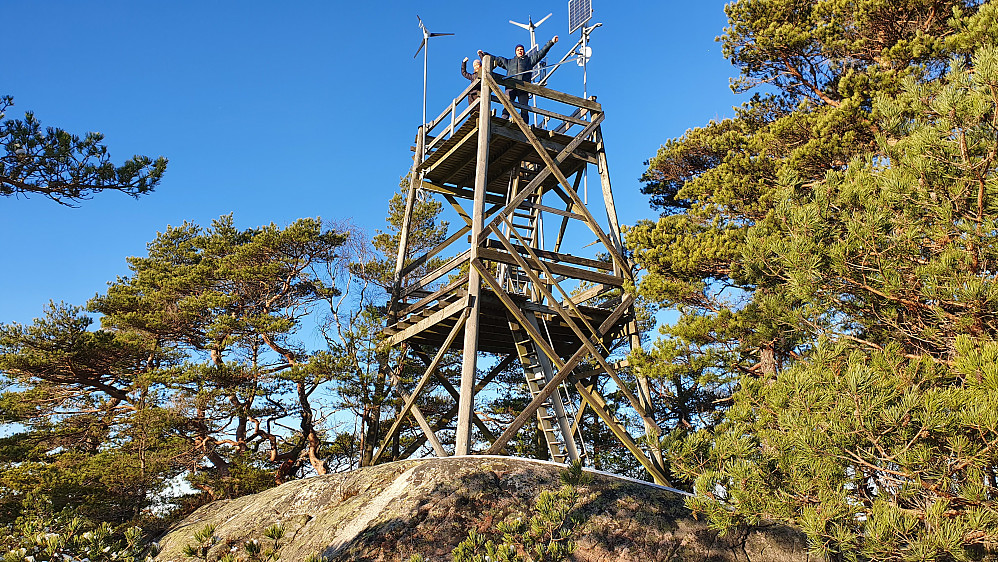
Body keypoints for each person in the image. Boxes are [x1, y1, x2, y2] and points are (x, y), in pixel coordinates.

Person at [478, 36, 558, 122]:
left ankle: (525, 123)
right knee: (507, 103)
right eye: (518, 49)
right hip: (511, 85)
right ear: (515, 52)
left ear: (523, 51)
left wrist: (551, 42)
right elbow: (498, 59)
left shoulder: (529, 60)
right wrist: (485, 55)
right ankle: (504, 119)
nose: (520, 51)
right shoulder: (509, 62)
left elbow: (541, 53)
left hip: (524, 87)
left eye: (521, 49)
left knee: (524, 106)